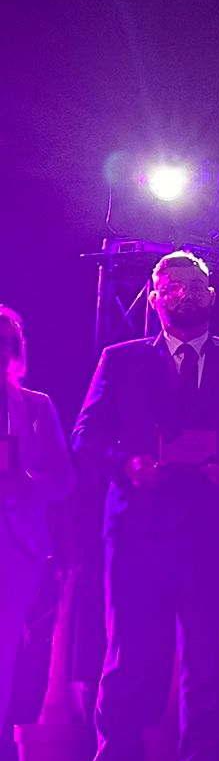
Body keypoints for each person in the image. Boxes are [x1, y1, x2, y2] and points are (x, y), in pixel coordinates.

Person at [59, 251, 219, 761]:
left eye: (195, 284)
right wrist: (127, 464)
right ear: (153, 298)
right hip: (140, 534)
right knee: (129, 657)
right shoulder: (121, 359)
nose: (184, 293)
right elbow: (86, 435)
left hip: (214, 534)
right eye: (171, 285)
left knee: (212, 657)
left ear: (212, 295)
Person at [0, 306, 76, 737]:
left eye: (5, 341)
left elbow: (65, 479)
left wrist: (28, 484)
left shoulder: (35, 406)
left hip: (15, 546)